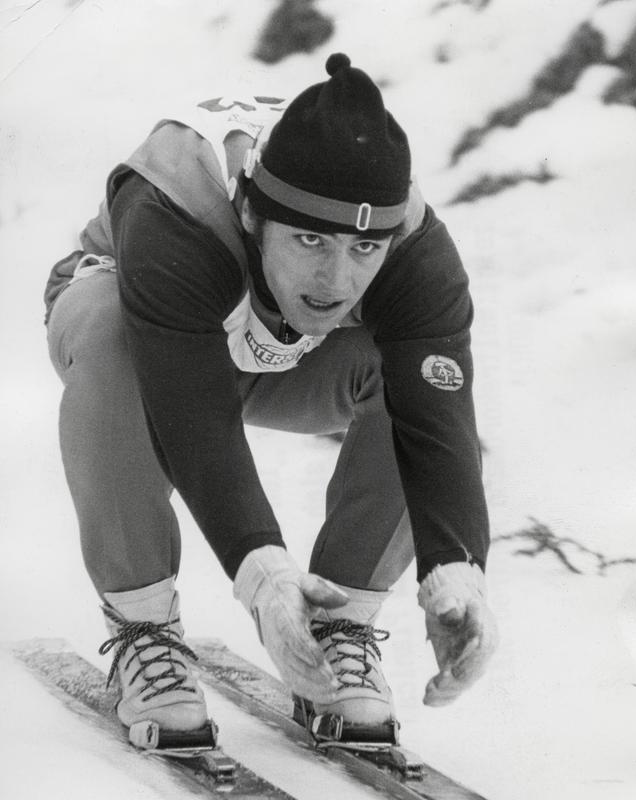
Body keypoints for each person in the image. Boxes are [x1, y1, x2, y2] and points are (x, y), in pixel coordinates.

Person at [44, 53, 498, 749]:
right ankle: (143, 630)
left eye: (362, 248)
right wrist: (261, 572)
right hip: (154, 341)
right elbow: (190, 414)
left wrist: (459, 567)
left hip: (282, 359)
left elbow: (440, 412)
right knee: (111, 333)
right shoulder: (177, 200)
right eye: (310, 239)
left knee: (403, 364)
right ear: (254, 215)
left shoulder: (415, 250)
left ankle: (338, 623)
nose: (335, 276)